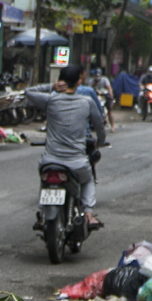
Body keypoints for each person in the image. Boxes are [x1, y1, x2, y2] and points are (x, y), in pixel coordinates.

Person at [24, 64, 106, 228]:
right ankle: (89, 214)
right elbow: (100, 127)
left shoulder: (50, 100)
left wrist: (51, 87)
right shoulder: (87, 102)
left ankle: (43, 215)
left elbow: (28, 92)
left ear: (61, 81)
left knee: (45, 179)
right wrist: (100, 143)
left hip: (50, 161)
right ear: (79, 81)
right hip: (77, 163)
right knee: (88, 180)